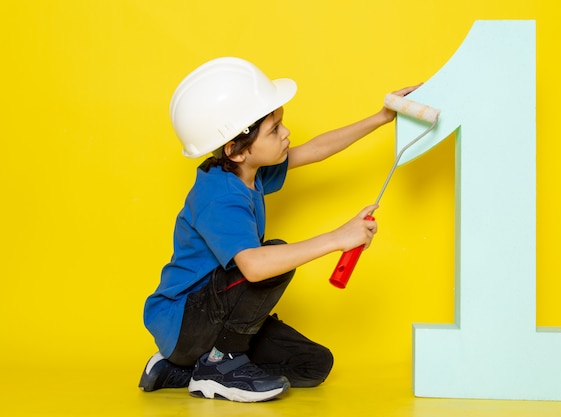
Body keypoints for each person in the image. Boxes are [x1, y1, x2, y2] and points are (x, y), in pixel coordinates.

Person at [138, 57, 417, 402]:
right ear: (234, 150)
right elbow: (254, 267)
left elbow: (317, 149)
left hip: (212, 320)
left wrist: (381, 118)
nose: (286, 133)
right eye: (274, 129)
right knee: (273, 261)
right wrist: (337, 238)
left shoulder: (247, 172)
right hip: (183, 322)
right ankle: (219, 365)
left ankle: (184, 368)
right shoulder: (220, 197)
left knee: (311, 364)